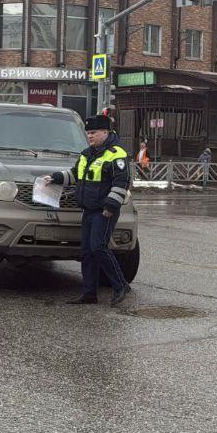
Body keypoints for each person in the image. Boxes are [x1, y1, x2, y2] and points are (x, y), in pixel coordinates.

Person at [45, 113, 131, 306]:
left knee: (99, 247)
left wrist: (110, 207)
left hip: (104, 210)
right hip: (89, 210)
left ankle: (120, 285)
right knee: (87, 252)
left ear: (105, 132)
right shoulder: (87, 153)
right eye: (88, 133)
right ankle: (89, 293)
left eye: (93, 133)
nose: (89, 136)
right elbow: (76, 174)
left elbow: (122, 182)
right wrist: (56, 178)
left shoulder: (117, 154)